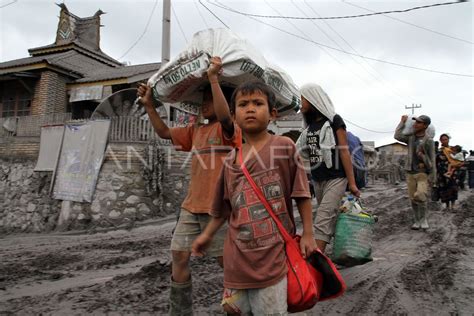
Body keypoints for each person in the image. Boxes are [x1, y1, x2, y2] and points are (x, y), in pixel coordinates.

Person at [192, 81, 317, 315]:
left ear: (273, 114)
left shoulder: (283, 147)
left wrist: (308, 233)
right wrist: (206, 235)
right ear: (233, 116)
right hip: (237, 260)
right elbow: (225, 207)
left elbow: (301, 193)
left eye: (258, 103)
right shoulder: (230, 160)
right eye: (243, 104)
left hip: (273, 258)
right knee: (234, 310)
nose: (250, 109)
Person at [138, 56, 241, 316]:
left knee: (228, 265)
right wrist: (150, 106)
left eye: (210, 99)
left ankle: (243, 308)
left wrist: (214, 78)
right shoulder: (195, 131)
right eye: (203, 99)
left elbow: (226, 119)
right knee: (179, 256)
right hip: (191, 207)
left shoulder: (232, 130)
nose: (204, 104)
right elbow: (164, 132)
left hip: (218, 211)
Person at [295, 83, 360, 252]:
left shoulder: (333, 121)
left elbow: (344, 152)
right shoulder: (308, 127)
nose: (300, 102)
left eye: (302, 99)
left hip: (336, 177)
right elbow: (302, 153)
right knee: (329, 215)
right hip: (318, 179)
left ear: (312, 98)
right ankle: (342, 250)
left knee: (322, 219)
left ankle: (316, 262)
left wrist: (351, 183)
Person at [394, 115, 436, 230]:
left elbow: (432, 159)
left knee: (420, 195)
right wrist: (402, 122)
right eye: (415, 122)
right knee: (413, 198)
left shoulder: (429, 141)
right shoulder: (410, 138)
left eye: (419, 122)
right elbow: (397, 136)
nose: (415, 124)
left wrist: (433, 177)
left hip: (423, 172)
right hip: (410, 172)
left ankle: (424, 219)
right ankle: (417, 220)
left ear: (425, 126)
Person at [436, 134, 460, 210]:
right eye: (443, 139)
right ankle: (447, 206)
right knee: (444, 189)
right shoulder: (439, 151)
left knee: (453, 188)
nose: (444, 141)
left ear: (448, 140)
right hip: (442, 173)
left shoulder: (453, 150)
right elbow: (436, 162)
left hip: (453, 173)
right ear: (440, 140)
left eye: (446, 139)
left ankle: (453, 206)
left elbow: (458, 159)